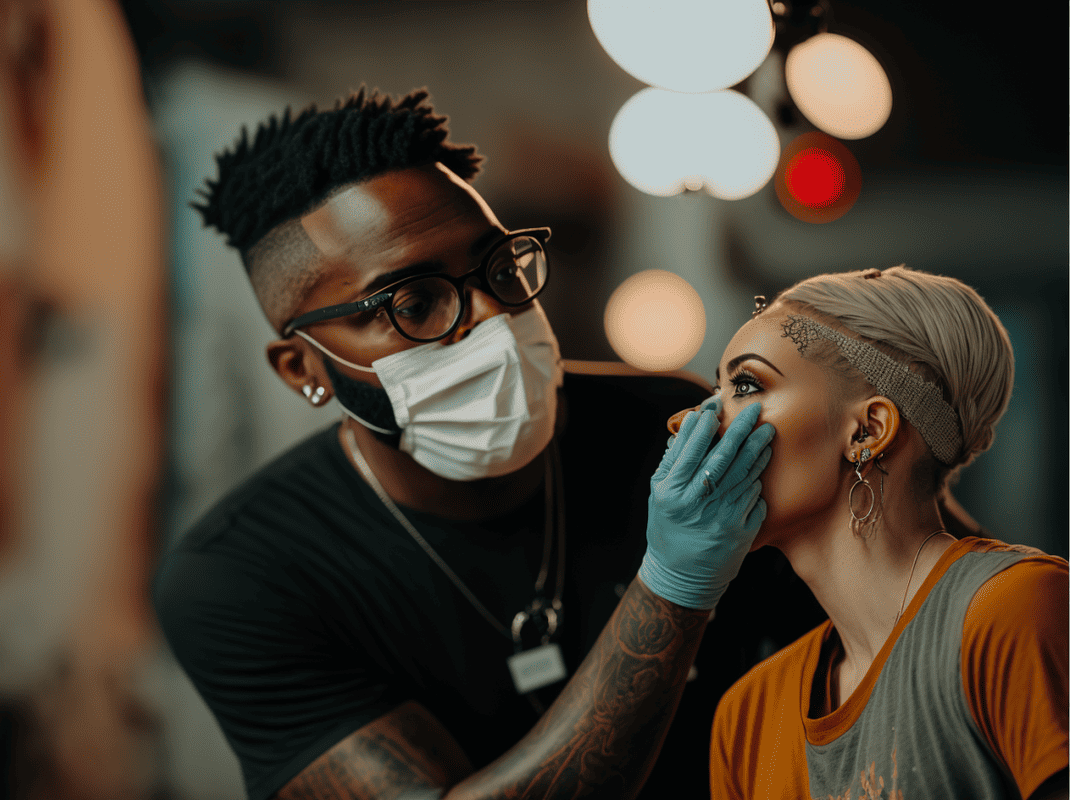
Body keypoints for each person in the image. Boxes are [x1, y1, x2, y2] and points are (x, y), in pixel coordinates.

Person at [153, 87, 784, 799]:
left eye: (501, 269)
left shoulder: (669, 426)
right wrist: (673, 587)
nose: (492, 320)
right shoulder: (242, 577)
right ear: (304, 368)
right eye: (414, 303)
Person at [684, 267, 1069, 799]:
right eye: (714, 390)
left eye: (746, 386)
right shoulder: (746, 716)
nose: (688, 423)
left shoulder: (1011, 613)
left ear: (868, 430)